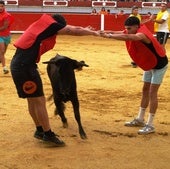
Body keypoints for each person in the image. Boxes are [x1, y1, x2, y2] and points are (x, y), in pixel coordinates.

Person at [10, 13, 100, 147]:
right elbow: (73, 31)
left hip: (20, 65)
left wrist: (85, 28)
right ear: (57, 25)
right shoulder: (51, 26)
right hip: (25, 67)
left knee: (33, 100)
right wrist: (93, 33)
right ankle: (48, 134)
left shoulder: (42, 26)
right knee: (39, 101)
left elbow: (71, 27)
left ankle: (40, 130)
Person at [101, 16, 168, 135]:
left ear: (136, 27)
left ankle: (150, 124)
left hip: (159, 65)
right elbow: (124, 33)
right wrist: (105, 32)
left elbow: (128, 36)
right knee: (145, 89)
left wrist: (110, 36)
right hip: (149, 63)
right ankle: (140, 119)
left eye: (129, 28)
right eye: (126, 28)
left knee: (153, 92)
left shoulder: (141, 35)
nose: (127, 30)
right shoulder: (136, 29)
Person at [0, 0, 13, 74]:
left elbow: (5, 27)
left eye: (2, 6)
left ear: (4, 6)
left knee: (3, 52)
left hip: (7, 36)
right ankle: (4, 68)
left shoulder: (7, 15)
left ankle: (1, 59)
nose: (0, 7)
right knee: (2, 51)